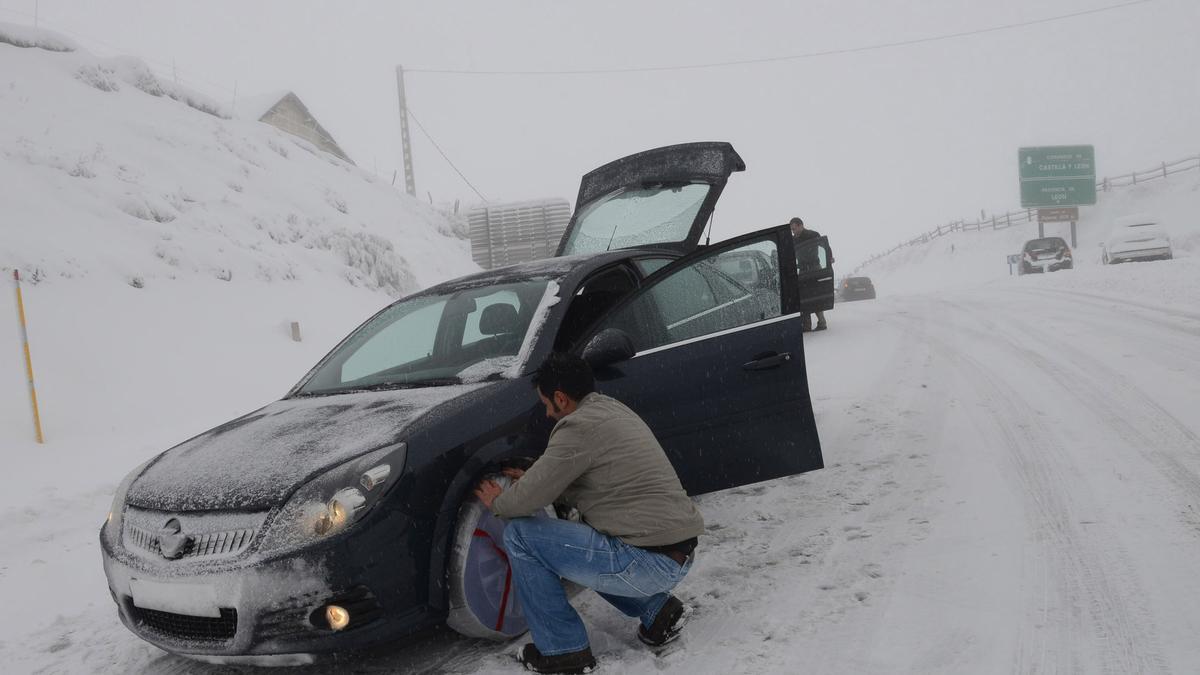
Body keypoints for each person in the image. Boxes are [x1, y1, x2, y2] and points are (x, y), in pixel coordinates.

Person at [474, 353, 704, 674]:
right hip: (677, 552)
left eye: (546, 403)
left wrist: (499, 502)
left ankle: (563, 652)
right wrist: (536, 478)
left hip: (647, 563)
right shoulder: (610, 410)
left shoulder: (577, 428)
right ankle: (660, 613)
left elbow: (524, 502)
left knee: (520, 535)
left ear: (560, 398)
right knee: (586, 547)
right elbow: (584, 476)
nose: (546, 412)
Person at [789, 217, 834, 331]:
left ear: (800, 225)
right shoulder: (793, 240)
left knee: (815, 294)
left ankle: (822, 322)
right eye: (792, 230)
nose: (793, 232)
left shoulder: (812, 235)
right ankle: (806, 325)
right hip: (803, 270)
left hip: (815, 268)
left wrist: (829, 257)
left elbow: (825, 247)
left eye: (794, 229)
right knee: (803, 296)